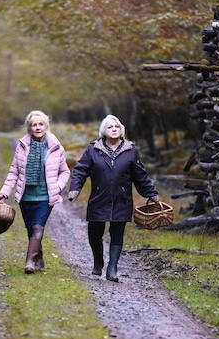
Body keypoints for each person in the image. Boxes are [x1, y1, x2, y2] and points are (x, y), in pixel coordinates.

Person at [68, 114, 159, 282]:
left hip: (122, 198)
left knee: (117, 232)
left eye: (117, 126)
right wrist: (75, 189)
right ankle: (98, 262)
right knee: (95, 232)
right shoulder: (93, 149)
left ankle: (112, 268)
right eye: (110, 127)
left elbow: (140, 175)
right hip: (99, 197)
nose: (114, 129)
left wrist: (151, 194)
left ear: (121, 130)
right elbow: (81, 170)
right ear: (104, 131)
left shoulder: (130, 150)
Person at [0, 110, 70, 274]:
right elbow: (14, 171)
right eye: (34, 125)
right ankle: (39, 257)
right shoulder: (22, 147)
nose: (37, 127)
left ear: (46, 126)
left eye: (41, 124)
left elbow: (65, 172)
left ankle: (29, 261)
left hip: (45, 196)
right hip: (26, 197)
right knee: (31, 229)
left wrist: (57, 187)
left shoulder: (56, 148)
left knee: (38, 228)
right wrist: (4, 193)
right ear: (29, 128)